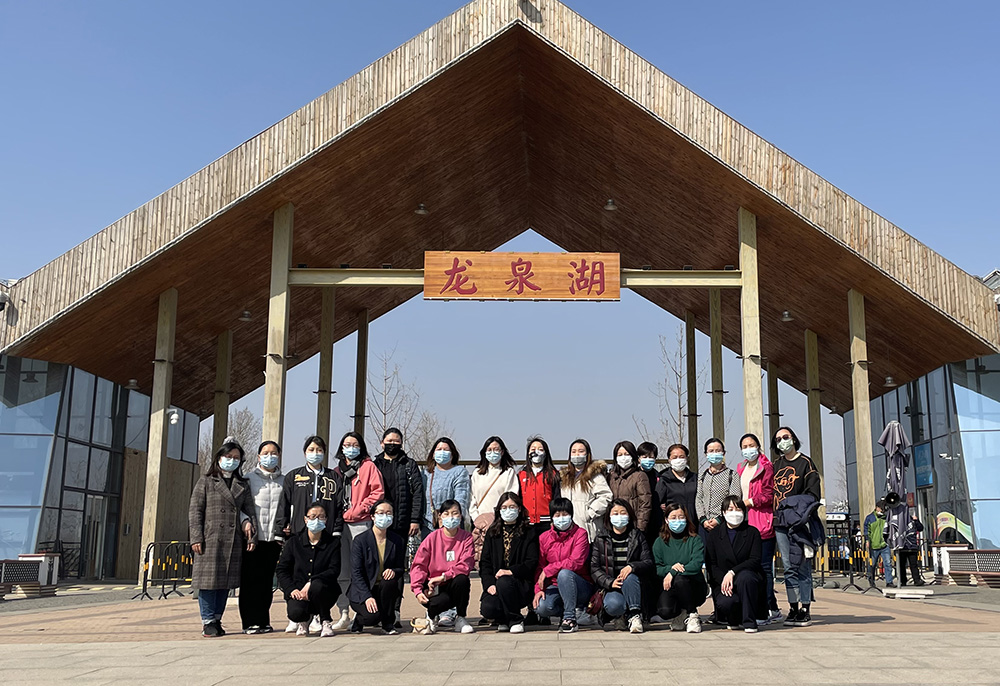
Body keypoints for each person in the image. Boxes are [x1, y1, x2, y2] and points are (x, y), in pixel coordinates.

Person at [189, 441, 258, 637]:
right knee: (208, 582)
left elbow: (249, 511)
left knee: (224, 582)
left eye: (236, 458)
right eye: (228, 457)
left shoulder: (242, 484)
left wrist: (252, 536)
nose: (232, 461)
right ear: (219, 458)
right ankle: (208, 621)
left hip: (232, 539)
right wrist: (196, 537)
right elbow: (195, 511)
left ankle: (217, 619)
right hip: (210, 538)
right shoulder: (206, 481)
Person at [331, 431, 385, 629]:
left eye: (355, 445)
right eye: (347, 445)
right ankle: (343, 612)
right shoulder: (336, 471)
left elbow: (378, 492)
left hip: (361, 522)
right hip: (341, 525)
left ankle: (360, 611)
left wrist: (360, 509)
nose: (351, 448)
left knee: (361, 568)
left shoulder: (369, 467)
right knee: (342, 570)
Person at [771, 426, 821, 627]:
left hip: (800, 524)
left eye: (785, 437)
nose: (782, 441)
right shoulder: (775, 465)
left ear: (793, 438)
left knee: (802, 566)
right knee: (788, 567)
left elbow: (813, 495)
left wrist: (797, 511)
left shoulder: (806, 463)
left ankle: (805, 608)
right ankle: (793, 607)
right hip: (780, 523)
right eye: (778, 439)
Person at [372, 427, 423, 627]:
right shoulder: (375, 464)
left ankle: (395, 610)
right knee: (377, 566)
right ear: (382, 443)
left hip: (401, 524)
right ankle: (377, 610)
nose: (392, 444)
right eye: (389, 441)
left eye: (396, 441)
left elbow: (417, 492)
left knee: (397, 568)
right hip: (378, 525)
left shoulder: (409, 465)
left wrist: (415, 519)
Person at [275, 501, 342, 637]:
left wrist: (311, 582)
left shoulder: (333, 543)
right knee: (296, 613)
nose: (316, 520)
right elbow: (282, 569)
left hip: (324, 590)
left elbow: (334, 570)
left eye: (321, 517)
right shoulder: (294, 542)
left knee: (317, 587)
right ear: (305, 519)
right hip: (298, 590)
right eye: (312, 516)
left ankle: (325, 620)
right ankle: (304, 620)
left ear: (326, 519)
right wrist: (291, 589)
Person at [410, 499, 477, 634]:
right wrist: (417, 590)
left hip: (452, 582)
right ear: (440, 516)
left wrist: (443, 576)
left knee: (462, 579)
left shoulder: (466, 538)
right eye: (446, 513)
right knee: (438, 603)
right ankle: (431, 616)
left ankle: (461, 618)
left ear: (461, 516)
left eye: (455, 513)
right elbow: (419, 565)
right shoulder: (432, 538)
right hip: (433, 587)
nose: (451, 517)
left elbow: (466, 564)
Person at [239, 440, 284, 634]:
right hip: (253, 539)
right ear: (258, 456)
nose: (269, 456)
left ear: (279, 456)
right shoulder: (248, 479)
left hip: (273, 540)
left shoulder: (284, 481)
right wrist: (244, 521)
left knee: (266, 583)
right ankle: (249, 622)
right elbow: (239, 506)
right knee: (250, 581)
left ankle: (263, 620)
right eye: (265, 453)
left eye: (273, 453)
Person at [479, 492, 540, 633]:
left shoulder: (529, 531)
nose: (508, 510)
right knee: (488, 608)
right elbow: (485, 563)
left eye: (512, 507)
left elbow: (531, 562)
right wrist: (489, 584)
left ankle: (515, 620)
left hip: (520, 583)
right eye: (504, 507)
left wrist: (510, 571)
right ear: (499, 510)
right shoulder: (492, 532)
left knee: (504, 582)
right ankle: (503, 619)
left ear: (519, 508)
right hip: (496, 584)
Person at [589, 499, 653, 633]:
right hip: (613, 586)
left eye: (623, 513)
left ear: (629, 515)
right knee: (613, 605)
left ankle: (634, 615)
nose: (619, 517)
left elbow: (648, 562)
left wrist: (632, 567)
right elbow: (594, 568)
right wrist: (610, 582)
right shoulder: (601, 538)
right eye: (615, 513)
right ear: (609, 516)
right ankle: (621, 615)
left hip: (634, 585)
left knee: (630, 577)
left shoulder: (637, 536)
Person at [736, 432, 780, 624]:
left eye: (751, 445)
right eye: (744, 447)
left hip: (762, 522)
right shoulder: (740, 468)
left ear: (758, 446)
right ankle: (768, 607)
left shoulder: (766, 467)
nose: (748, 449)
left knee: (764, 568)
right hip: (744, 522)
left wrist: (750, 501)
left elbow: (770, 495)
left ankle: (768, 608)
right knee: (749, 568)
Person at [703, 496, 764, 633]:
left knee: (745, 578)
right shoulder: (714, 534)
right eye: (730, 509)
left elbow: (754, 559)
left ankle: (749, 622)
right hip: (723, 582)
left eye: (738, 509)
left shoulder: (752, 532)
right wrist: (724, 580)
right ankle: (733, 618)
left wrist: (732, 572)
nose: (734, 513)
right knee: (726, 603)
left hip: (747, 578)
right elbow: (711, 564)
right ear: (723, 512)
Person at [533, 497, 592, 633]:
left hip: (579, 584)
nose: (561, 518)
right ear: (551, 517)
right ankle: (567, 611)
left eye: (565, 514)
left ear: (571, 515)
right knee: (542, 607)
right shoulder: (544, 538)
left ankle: (570, 618)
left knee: (564, 574)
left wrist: (549, 569)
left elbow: (575, 562)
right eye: (557, 515)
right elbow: (540, 567)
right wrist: (538, 590)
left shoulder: (581, 534)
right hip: (554, 585)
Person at [348, 499, 405, 634]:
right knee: (372, 618)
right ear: (373, 516)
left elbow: (401, 568)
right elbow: (356, 573)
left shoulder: (397, 540)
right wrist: (367, 597)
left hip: (384, 589)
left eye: (389, 513)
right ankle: (359, 620)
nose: (385, 516)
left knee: (390, 581)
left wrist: (394, 571)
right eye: (381, 513)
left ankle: (388, 624)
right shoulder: (360, 540)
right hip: (363, 590)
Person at [653, 502, 707, 634]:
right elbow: (657, 568)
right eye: (673, 517)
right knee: (664, 610)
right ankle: (682, 613)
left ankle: (692, 614)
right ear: (666, 520)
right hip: (670, 587)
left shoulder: (695, 540)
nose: (678, 521)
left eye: (681, 517)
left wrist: (673, 571)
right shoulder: (660, 542)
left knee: (680, 579)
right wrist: (670, 569)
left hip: (694, 586)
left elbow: (696, 565)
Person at [470, 436, 520, 563]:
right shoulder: (477, 473)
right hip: (480, 523)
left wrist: (498, 517)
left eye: (496, 449)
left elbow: (512, 497)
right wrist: (477, 518)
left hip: (500, 521)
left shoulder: (508, 472)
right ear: (484, 452)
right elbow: (471, 498)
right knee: (482, 558)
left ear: (502, 452)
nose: (493, 453)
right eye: (489, 450)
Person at [560, 439, 613, 541]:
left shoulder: (595, 476)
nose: (577, 454)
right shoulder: (565, 477)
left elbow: (606, 496)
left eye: (581, 451)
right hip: (568, 528)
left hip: (588, 529)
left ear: (587, 454)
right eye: (573, 451)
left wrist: (590, 513)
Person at [422, 437, 471, 536]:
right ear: (433, 454)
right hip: (428, 525)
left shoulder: (460, 472)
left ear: (452, 454)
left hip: (452, 524)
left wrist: (452, 518)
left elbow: (461, 499)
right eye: (439, 449)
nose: (442, 452)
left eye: (446, 450)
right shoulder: (425, 474)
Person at [695, 437, 742, 534]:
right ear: (706, 454)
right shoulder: (702, 476)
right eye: (711, 451)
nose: (714, 453)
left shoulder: (732, 475)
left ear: (723, 453)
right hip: (704, 525)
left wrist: (719, 519)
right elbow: (699, 499)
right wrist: (703, 519)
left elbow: (734, 500)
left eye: (718, 451)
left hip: (724, 523)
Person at [518, 436, 561, 536]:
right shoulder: (521, 475)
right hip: (526, 523)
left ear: (546, 453)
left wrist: (555, 520)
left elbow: (557, 497)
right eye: (533, 449)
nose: (536, 452)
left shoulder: (553, 474)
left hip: (547, 523)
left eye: (540, 449)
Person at [607, 441, 652, 533]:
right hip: (614, 526)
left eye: (627, 454)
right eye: (620, 455)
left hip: (633, 525)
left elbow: (645, 504)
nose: (623, 457)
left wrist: (640, 528)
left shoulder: (639, 476)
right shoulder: (611, 477)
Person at [657, 444, 698, 524]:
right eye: (675, 457)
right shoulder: (664, 480)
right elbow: (657, 503)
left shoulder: (695, 478)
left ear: (687, 458)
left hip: (694, 524)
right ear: (669, 460)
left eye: (682, 457)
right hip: (674, 524)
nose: (678, 460)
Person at [864, 499, 894, 588]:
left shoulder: (886, 517)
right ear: (877, 508)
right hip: (874, 545)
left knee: (888, 563)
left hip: (885, 544)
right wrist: (867, 540)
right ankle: (871, 579)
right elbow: (867, 530)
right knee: (872, 564)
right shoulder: (870, 518)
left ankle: (889, 581)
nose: (882, 511)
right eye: (881, 509)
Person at [899, 512, 926, 587]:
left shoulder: (913, 520)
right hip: (903, 546)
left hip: (912, 546)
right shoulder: (900, 520)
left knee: (914, 564)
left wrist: (916, 520)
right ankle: (903, 581)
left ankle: (916, 580)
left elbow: (920, 528)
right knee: (902, 565)